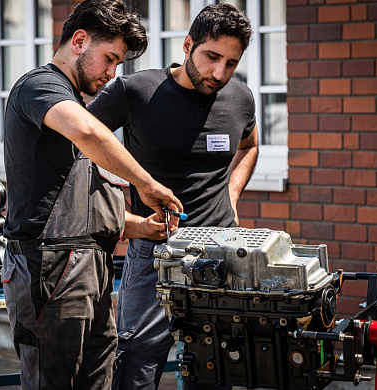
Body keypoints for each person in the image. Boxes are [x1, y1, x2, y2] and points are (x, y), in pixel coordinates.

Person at [1, 1, 183, 389]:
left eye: (119, 65)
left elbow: (77, 204)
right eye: (110, 59)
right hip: (49, 269)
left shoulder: (74, 108)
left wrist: (140, 227)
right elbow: (89, 133)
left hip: (94, 267)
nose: (112, 74)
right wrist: (148, 185)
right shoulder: (40, 87)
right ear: (79, 41)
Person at [88, 4, 257, 389]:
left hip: (221, 251)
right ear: (187, 44)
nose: (219, 73)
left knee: (217, 367)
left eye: (231, 63)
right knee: (136, 366)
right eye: (211, 57)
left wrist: (231, 195)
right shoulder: (134, 91)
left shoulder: (240, 98)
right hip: (156, 251)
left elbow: (249, 146)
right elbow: (76, 147)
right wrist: (119, 215)